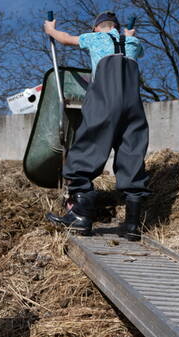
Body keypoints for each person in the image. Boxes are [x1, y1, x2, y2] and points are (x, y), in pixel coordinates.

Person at [43, 11, 150, 239]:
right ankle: (132, 224)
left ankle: (81, 216)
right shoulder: (132, 42)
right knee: (132, 152)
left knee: (89, 145)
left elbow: (65, 39)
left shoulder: (94, 38)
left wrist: (50, 29)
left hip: (105, 100)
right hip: (133, 106)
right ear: (117, 28)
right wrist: (128, 34)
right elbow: (135, 48)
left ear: (95, 28)